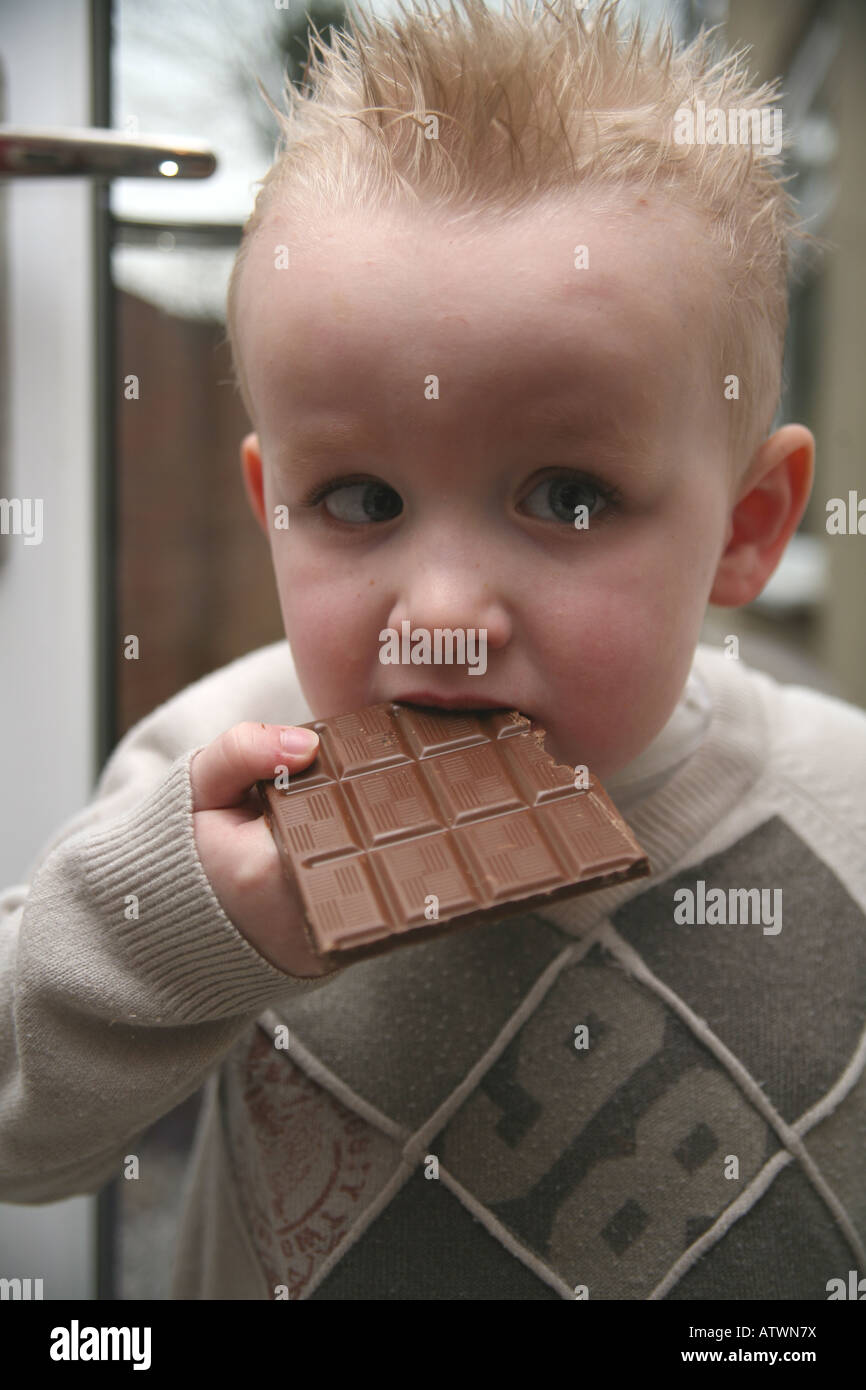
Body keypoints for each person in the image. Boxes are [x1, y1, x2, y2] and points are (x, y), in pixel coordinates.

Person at [2, 0, 864, 1300]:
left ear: (746, 528)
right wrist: (179, 931)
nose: (442, 611)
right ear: (269, 510)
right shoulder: (209, 800)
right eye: (359, 501)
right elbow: (24, 1147)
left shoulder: (842, 810)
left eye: (565, 497)